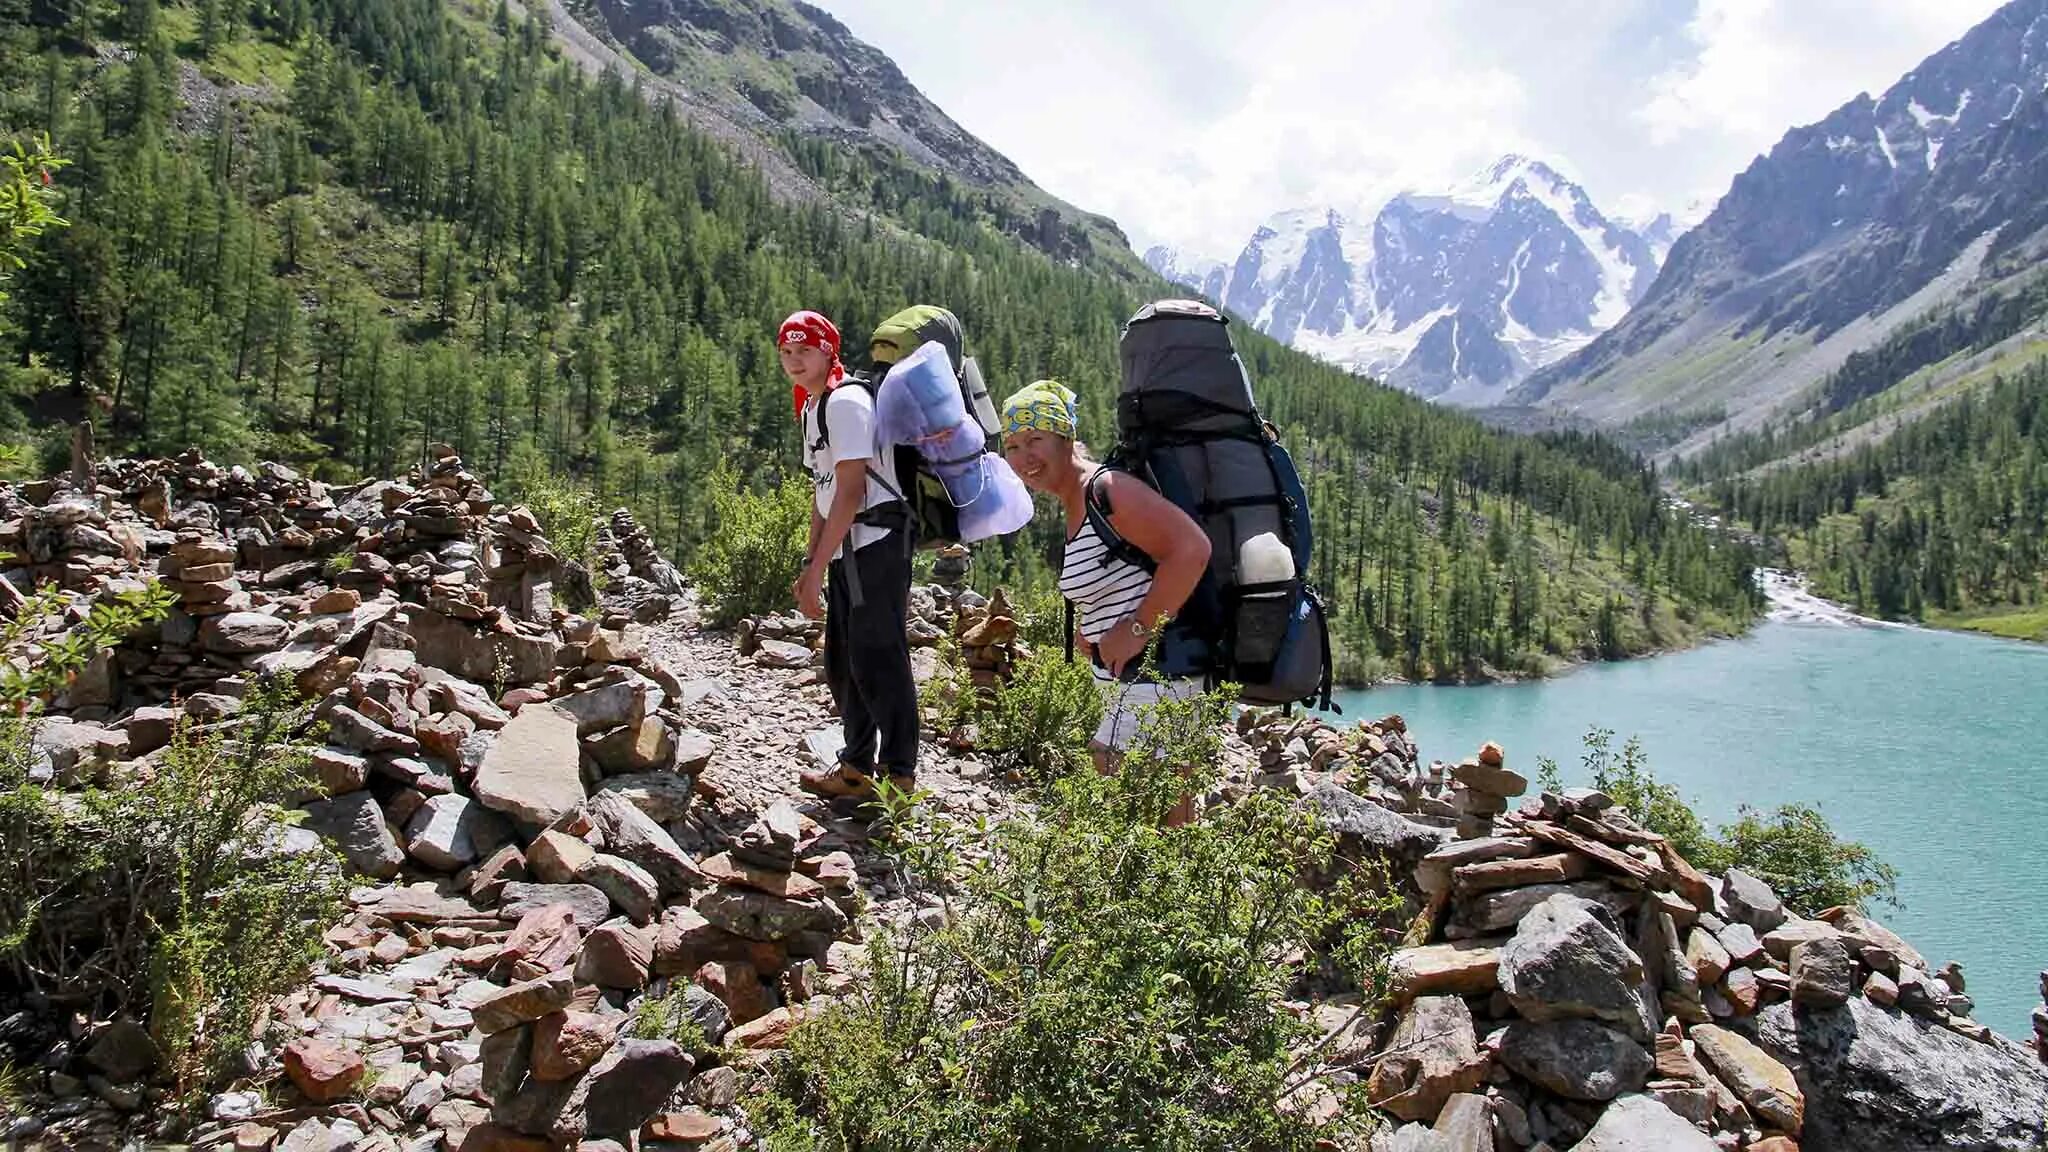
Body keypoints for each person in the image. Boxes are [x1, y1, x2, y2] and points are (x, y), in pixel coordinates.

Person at [999, 380, 1211, 825]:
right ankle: (1162, 889)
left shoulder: (1107, 489)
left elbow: (1192, 548)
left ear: (1067, 439)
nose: (1024, 458)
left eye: (1036, 439)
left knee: (1138, 796)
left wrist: (1136, 627)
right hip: (1130, 679)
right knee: (1152, 807)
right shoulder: (1075, 499)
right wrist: (1091, 628)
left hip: (1161, 672)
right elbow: (1123, 571)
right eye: (1013, 445)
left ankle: (1164, 891)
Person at [778, 310, 918, 806]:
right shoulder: (811, 407)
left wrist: (817, 568)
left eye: (805, 350)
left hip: (877, 542)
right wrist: (812, 559)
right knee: (843, 660)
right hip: (848, 546)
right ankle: (857, 769)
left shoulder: (846, 402)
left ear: (827, 352)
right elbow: (823, 491)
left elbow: (853, 489)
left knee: (880, 657)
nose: (795, 360)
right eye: (788, 352)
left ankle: (900, 777)